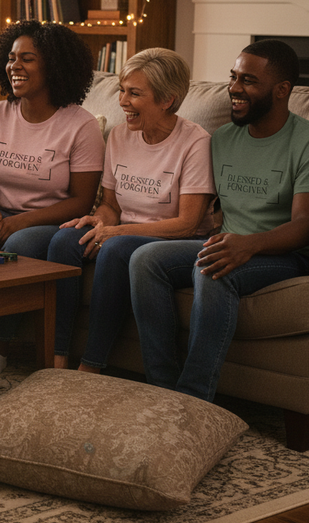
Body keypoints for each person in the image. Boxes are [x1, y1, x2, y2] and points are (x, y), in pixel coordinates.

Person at [131, 39, 309, 402]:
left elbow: (305, 224)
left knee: (210, 267)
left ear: (281, 91)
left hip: (281, 255)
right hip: (225, 240)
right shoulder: (223, 138)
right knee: (144, 259)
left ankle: (193, 399)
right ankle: (161, 389)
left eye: (248, 81)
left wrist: (249, 244)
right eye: (233, 77)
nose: (234, 89)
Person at [47, 48, 215, 373]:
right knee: (64, 240)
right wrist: (100, 220)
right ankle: (56, 357)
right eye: (122, 90)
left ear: (167, 99)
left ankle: (91, 365)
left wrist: (117, 231)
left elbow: (188, 223)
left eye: (134, 93)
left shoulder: (195, 143)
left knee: (116, 249)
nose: (122, 101)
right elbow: (112, 206)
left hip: (172, 240)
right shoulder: (121, 136)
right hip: (124, 231)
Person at [0, 21, 104, 380]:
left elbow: (82, 202)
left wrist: (21, 221)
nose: (15, 67)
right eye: (10, 58)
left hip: (50, 221)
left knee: (18, 244)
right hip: (1, 212)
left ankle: (0, 346)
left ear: (53, 66)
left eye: (27, 59)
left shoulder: (80, 125)